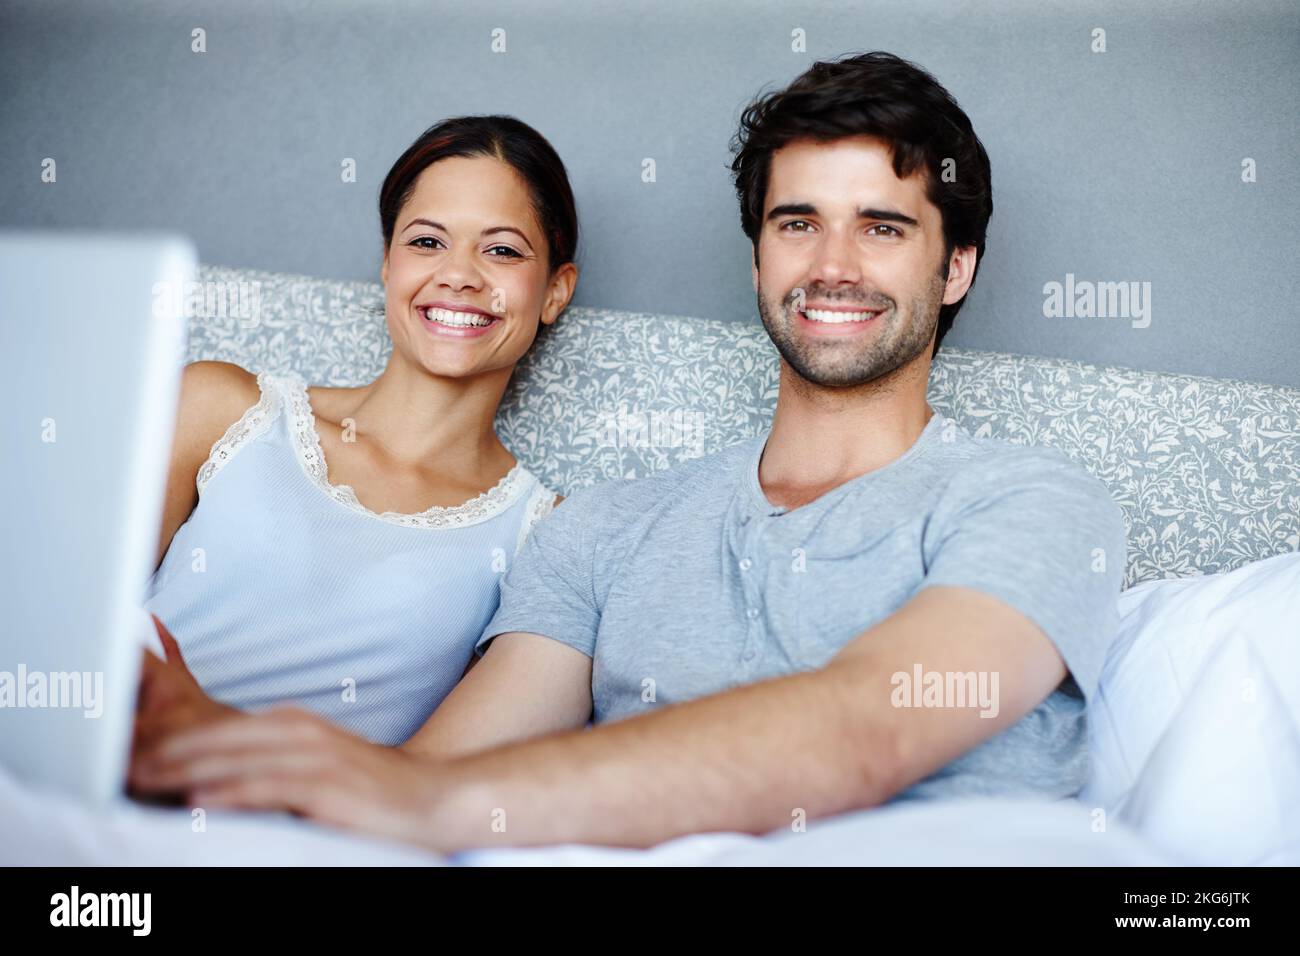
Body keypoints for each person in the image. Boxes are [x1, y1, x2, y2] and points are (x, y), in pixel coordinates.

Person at [132, 52, 1127, 853]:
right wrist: (234, 756)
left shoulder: (1035, 502)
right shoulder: (605, 526)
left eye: (880, 227)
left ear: (954, 267)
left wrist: (425, 799)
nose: (832, 263)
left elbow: (865, 726)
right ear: (757, 256)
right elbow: (426, 785)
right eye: (797, 222)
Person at [135, 115, 576, 751]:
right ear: (387, 265)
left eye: (502, 250)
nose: (458, 274)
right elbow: (64, 616)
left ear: (556, 291)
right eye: (426, 242)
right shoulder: (221, 408)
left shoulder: (546, 538)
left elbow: (445, 780)